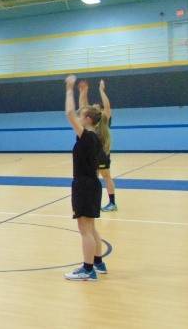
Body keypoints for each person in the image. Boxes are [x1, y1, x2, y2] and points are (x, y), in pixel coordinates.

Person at [63, 75, 107, 281]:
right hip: (93, 185)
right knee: (91, 228)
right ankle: (98, 262)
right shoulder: (95, 135)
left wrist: (69, 89)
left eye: (84, 115)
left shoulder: (86, 136)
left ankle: (88, 269)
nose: (80, 116)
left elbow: (70, 113)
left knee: (84, 230)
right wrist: (83, 93)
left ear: (88, 120)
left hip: (84, 185)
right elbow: (81, 111)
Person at [80, 80, 117, 212]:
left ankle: (112, 203)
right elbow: (84, 107)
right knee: (92, 177)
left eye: (96, 105)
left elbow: (107, 106)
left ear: (100, 110)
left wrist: (101, 90)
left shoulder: (104, 119)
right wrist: (83, 92)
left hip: (101, 153)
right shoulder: (90, 120)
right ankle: (92, 201)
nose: (94, 105)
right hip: (91, 153)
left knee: (106, 175)